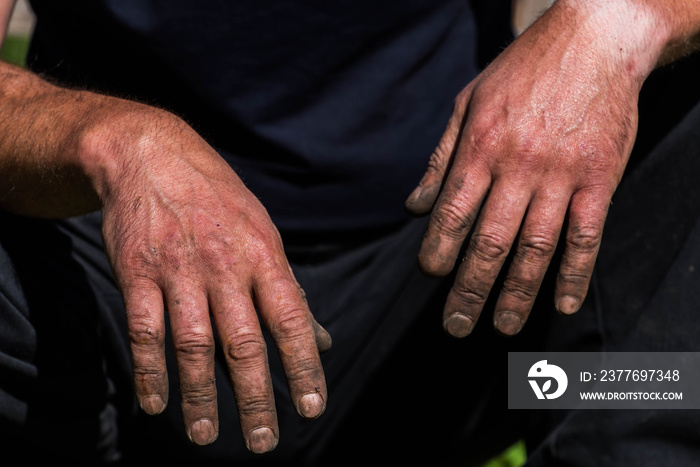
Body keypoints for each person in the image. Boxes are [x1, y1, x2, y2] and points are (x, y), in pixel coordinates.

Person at [0, 0, 698, 465]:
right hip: (120, 329)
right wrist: (115, 142)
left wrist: (613, 27)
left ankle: (610, 445)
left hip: (465, 333)